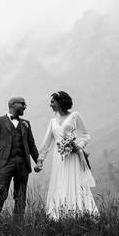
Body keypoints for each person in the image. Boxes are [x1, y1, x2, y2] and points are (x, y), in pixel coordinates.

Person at [36, 90, 99, 219]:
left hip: (73, 156)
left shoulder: (75, 116)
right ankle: (61, 213)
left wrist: (78, 146)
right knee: (60, 182)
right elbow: (47, 142)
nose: (50, 105)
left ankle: (80, 211)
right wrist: (40, 159)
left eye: (52, 102)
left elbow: (86, 136)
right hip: (59, 157)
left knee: (74, 182)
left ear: (60, 102)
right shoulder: (52, 122)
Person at [0, 96, 40, 223]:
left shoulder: (26, 123)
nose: (25, 106)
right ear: (12, 104)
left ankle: (18, 224)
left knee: (21, 195)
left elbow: (31, 144)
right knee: (1, 192)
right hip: (5, 163)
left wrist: (38, 160)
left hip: (23, 163)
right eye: (22, 104)